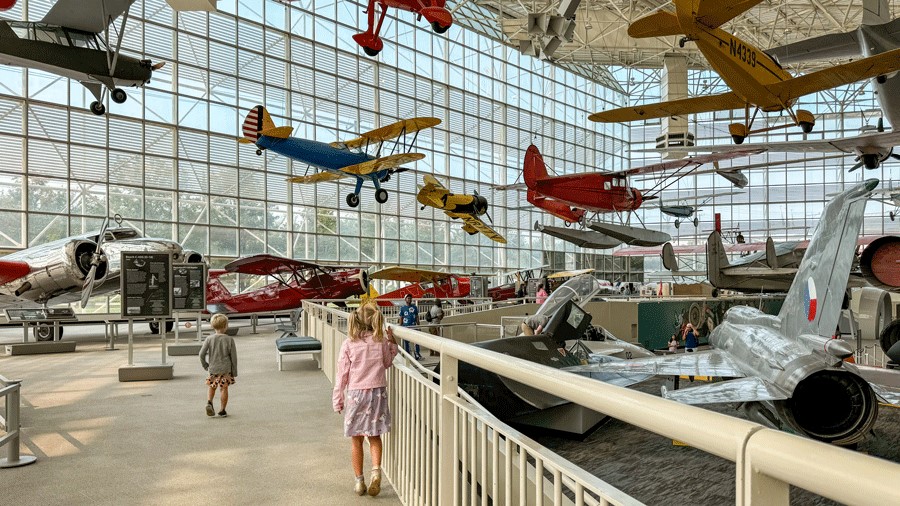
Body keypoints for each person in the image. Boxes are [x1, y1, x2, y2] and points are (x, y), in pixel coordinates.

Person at [332, 302, 399, 497]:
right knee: (375, 436)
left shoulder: (349, 343)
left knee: (356, 440)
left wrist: (338, 398)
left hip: (356, 395)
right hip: (377, 393)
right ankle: (376, 472)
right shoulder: (381, 342)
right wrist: (392, 341)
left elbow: (341, 374)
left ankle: (359, 482)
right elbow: (387, 362)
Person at [199, 313, 238, 418]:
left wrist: (205, 365)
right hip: (225, 369)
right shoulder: (229, 340)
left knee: (212, 386)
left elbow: (201, 354)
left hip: (213, 368)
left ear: (212, 326)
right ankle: (222, 410)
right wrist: (234, 371)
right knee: (223, 389)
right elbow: (233, 357)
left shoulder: (209, 339)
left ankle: (209, 402)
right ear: (226, 326)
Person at [398, 293, 421, 359]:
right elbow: (401, 317)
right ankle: (408, 354)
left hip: (414, 326)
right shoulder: (402, 308)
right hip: (406, 326)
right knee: (406, 341)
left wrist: (418, 326)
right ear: (405, 299)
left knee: (416, 340)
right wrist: (400, 326)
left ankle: (417, 354)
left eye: (410, 298)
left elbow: (417, 317)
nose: (410, 299)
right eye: (408, 298)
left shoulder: (414, 307)